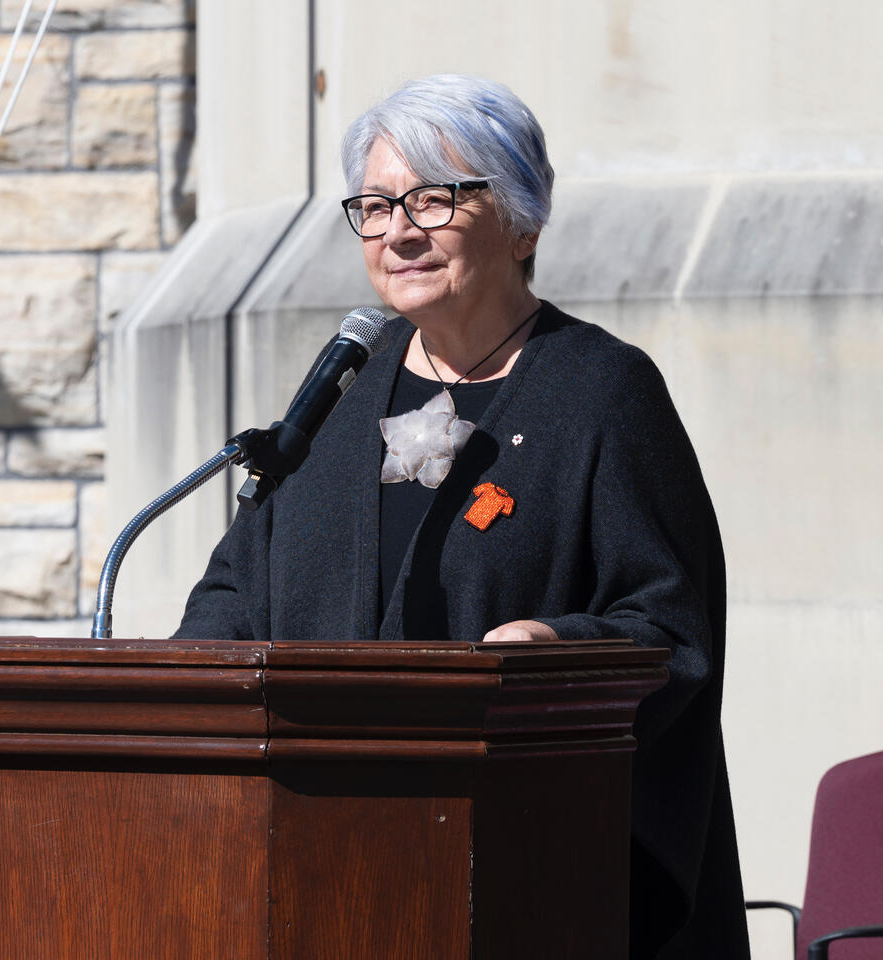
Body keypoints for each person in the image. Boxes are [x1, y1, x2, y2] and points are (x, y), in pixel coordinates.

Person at [175, 74, 749, 959]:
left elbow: (672, 633)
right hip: (316, 873)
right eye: (373, 205)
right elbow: (232, 595)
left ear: (522, 220)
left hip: (523, 882)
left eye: (432, 200)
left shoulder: (603, 392)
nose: (399, 229)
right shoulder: (337, 398)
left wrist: (558, 650)